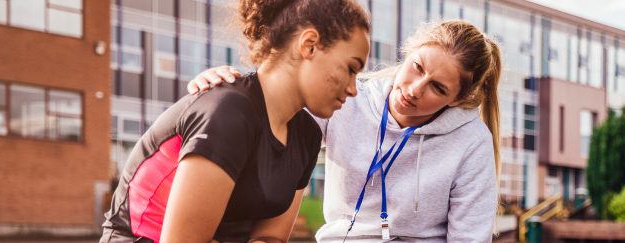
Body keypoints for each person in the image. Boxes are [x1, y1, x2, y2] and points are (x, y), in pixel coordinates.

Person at [100, 0, 371, 242]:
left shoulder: (307, 136)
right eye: (350, 68)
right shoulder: (228, 112)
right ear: (309, 44)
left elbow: (271, 237)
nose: (352, 89)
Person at [189, 20, 502, 242]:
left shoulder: (471, 141)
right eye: (417, 67)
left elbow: (469, 237)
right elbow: (278, 103)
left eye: (437, 87)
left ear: (457, 99)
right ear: (408, 53)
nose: (415, 89)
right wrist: (231, 88)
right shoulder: (349, 101)